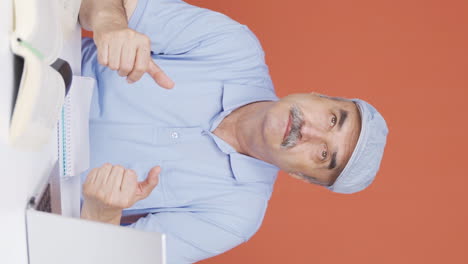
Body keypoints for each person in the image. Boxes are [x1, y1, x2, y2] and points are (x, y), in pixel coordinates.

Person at [78, 0, 389, 263]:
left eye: (323, 155)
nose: (310, 131)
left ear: (303, 177)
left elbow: (101, 258)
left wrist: (102, 214)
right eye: (333, 119)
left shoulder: (235, 217)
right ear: (318, 95)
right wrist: (109, 22)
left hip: (34, 187)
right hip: (40, 73)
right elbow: (98, 4)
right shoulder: (232, 45)